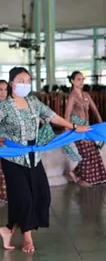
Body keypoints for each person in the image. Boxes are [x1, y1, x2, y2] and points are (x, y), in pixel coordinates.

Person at [0, 67, 89, 253]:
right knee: (24, 198)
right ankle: (27, 239)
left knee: (42, 196)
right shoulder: (3, 106)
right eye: (21, 80)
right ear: (11, 84)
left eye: (28, 80)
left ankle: (8, 229)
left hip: (34, 155)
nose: (25, 84)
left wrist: (74, 127)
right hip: (13, 158)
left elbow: (53, 117)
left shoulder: (33, 101)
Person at [65, 71, 106, 187]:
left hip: (87, 128)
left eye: (83, 79)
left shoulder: (86, 95)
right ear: (72, 81)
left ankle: (74, 172)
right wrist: (66, 135)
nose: (81, 82)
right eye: (78, 79)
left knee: (93, 152)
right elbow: (67, 116)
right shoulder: (72, 97)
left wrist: (102, 126)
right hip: (77, 130)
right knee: (85, 153)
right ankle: (85, 178)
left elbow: (95, 111)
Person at [0, 80, 8, 203]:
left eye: (5, 89)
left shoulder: (9, 105)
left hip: (8, 141)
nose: (3, 92)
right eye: (0, 89)